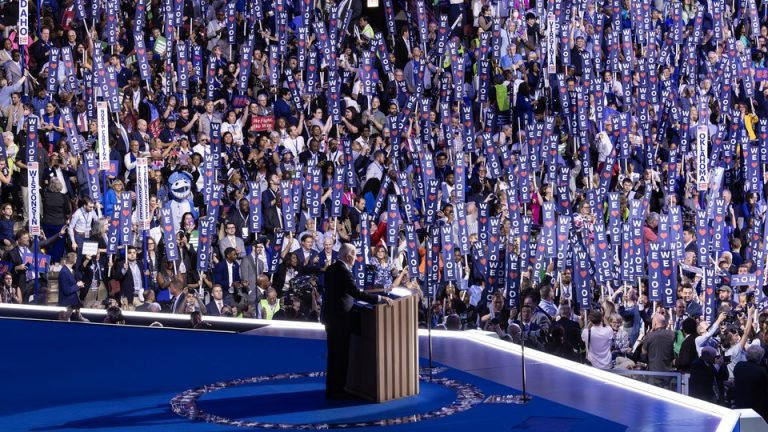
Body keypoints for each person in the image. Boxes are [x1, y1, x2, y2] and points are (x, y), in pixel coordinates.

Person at [322, 243, 393, 399]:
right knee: (341, 355)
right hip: (341, 319)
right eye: (354, 255)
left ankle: (332, 388)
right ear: (348, 256)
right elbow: (355, 293)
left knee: (334, 355)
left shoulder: (331, 269)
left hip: (331, 318)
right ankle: (339, 390)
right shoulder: (344, 271)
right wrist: (380, 298)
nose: (355, 259)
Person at [733, 345, 768, 419]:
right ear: (760, 357)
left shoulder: (739, 366)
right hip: (756, 408)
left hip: (739, 404)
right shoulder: (761, 371)